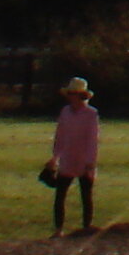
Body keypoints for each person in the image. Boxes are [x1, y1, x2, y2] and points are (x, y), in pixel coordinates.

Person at [48, 77, 99, 236]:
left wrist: (90, 161)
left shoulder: (91, 114)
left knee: (86, 195)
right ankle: (58, 229)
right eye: (69, 93)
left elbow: (92, 139)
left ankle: (86, 227)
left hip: (84, 160)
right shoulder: (65, 112)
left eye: (73, 94)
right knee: (60, 194)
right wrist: (55, 157)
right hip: (68, 158)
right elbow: (60, 135)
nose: (70, 97)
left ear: (81, 95)